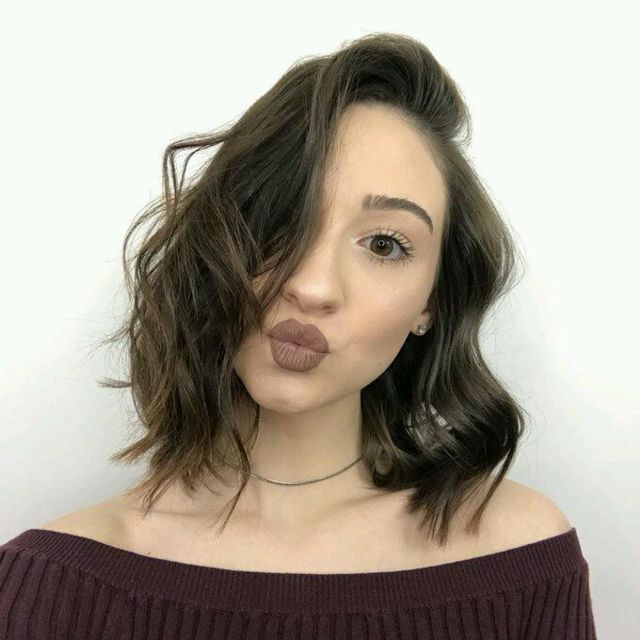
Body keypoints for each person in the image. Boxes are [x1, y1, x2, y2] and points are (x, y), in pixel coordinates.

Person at [0, 32, 597, 638]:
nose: (312, 287)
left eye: (384, 244)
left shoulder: (521, 559)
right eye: (283, 218)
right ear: (216, 244)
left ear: (432, 302)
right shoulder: (48, 584)